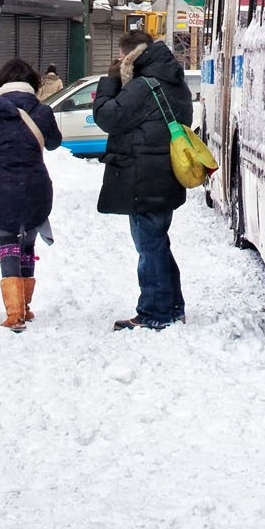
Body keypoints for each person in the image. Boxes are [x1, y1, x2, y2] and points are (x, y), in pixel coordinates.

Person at [94, 28, 192, 331]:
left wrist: (109, 80)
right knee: (158, 242)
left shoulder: (144, 86)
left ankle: (155, 312)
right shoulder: (173, 79)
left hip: (143, 177)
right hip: (165, 173)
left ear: (131, 56)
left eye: (122, 58)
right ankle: (173, 307)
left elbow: (107, 117)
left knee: (149, 246)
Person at [0, 58, 61, 331]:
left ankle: (14, 313)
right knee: (27, 246)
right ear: (32, 84)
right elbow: (55, 143)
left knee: (7, 243)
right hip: (34, 186)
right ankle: (26, 307)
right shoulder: (42, 111)